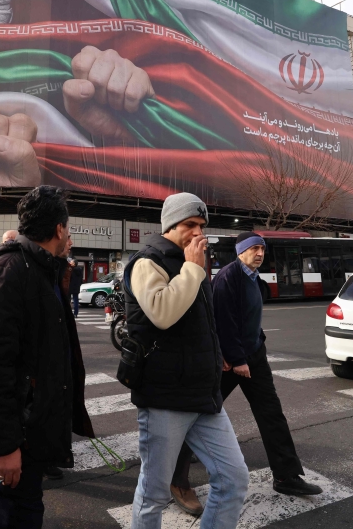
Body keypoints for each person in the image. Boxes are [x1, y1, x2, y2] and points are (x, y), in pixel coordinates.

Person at [0, 187, 94, 527]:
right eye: (69, 228)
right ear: (59, 229)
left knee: (12, 517)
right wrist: (3, 447)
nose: (70, 236)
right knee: (11, 519)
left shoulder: (43, 268)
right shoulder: (13, 271)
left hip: (27, 431)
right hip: (7, 435)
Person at [124, 193, 248, 529]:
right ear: (169, 225)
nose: (197, 233)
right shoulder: (147, 261)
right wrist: (192, 268)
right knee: (153, 496)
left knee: (234, 479)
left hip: (203, 394)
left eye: (201, 226)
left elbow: (202, 320)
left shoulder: (192, 262)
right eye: (189, 225)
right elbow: (163, 313)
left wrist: (216, 352)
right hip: (165, 398)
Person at [172, 233, 322, 507]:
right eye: (254, 248)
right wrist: (233, 357)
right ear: (241, 251)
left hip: (254, 355)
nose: (260, 253)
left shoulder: (254, 277)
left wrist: (257, 344)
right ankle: (177, 479)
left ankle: (287, 476)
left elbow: (247, 319)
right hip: (232, 361)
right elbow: (222, 319)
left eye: (262, 249)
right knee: (200, 412)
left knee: (272, 414)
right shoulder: (229, 277)